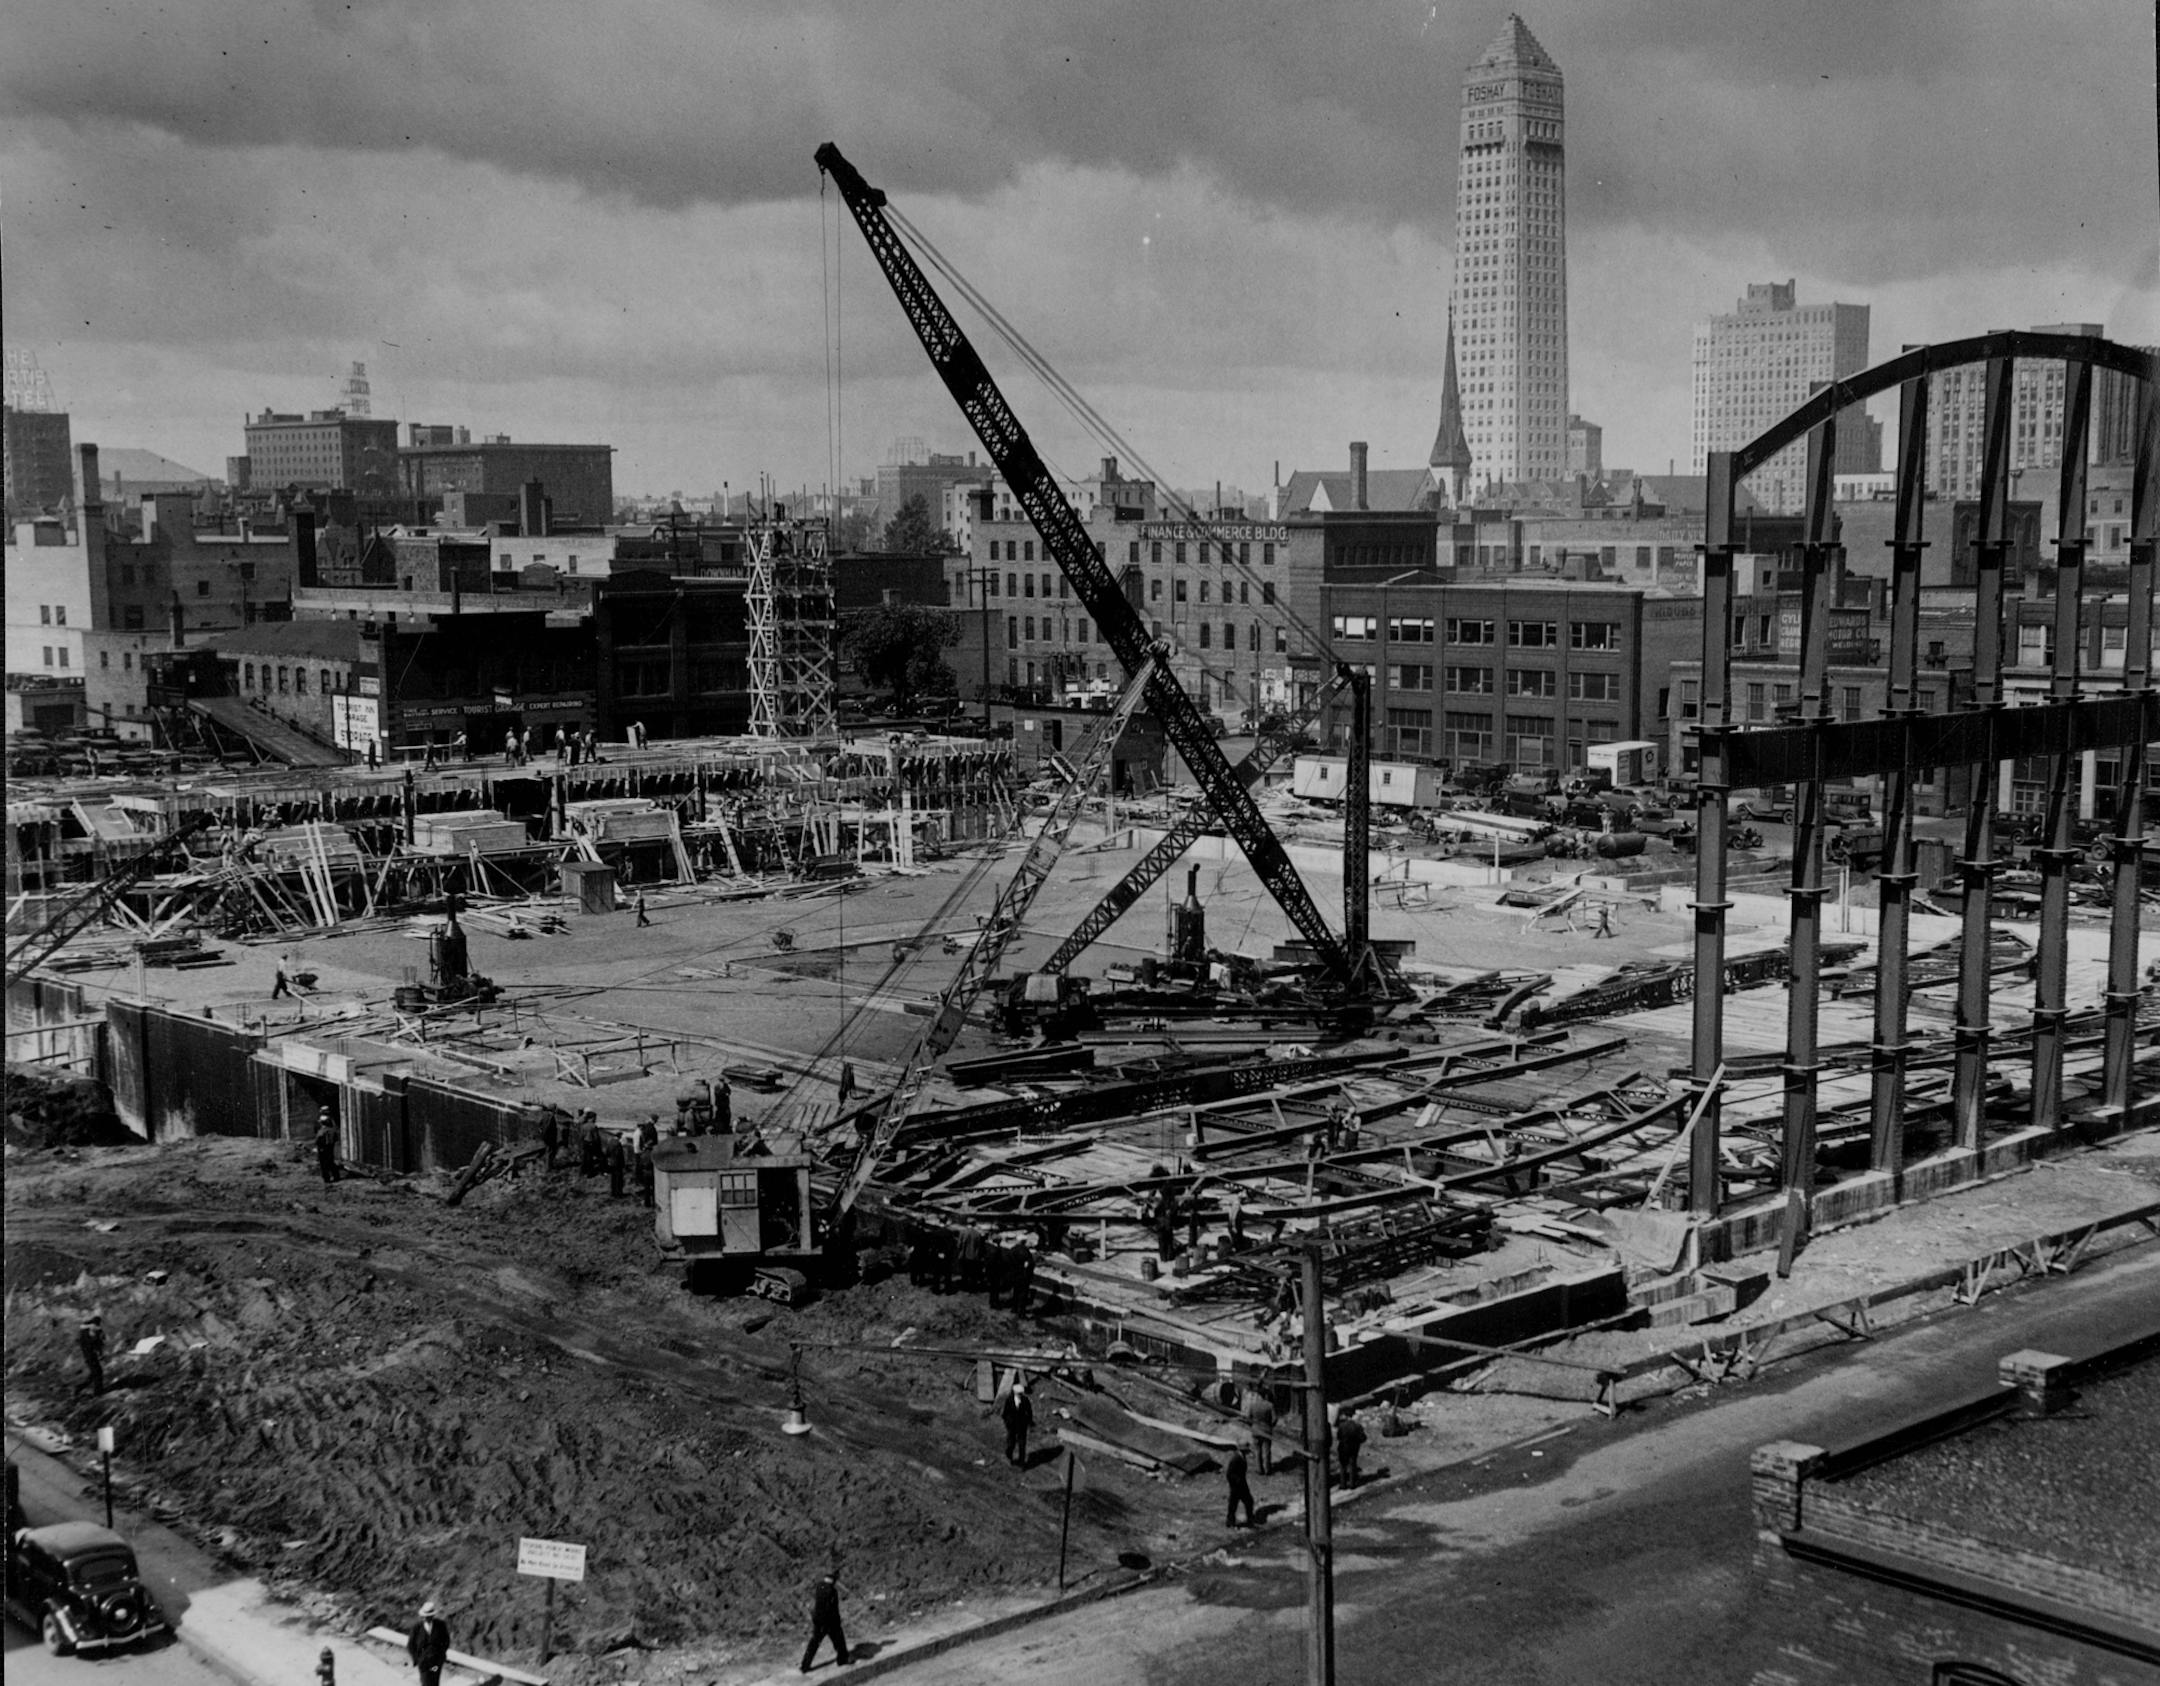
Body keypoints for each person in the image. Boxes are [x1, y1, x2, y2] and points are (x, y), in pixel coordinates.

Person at [800, 1569, 849, 1673]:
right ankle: (842, 1660)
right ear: (834, 1579)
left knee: (813, 1643)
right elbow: (833, 1609)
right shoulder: (832, 1591)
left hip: (818, 1620)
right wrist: (837, 1621)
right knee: (840, 1641)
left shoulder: (819, 1586)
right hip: (830, 1621)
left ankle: (805, 1666)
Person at [407, 1599, 452, 1686]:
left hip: (436, 1662)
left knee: (435, 1682)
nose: (427, 1618)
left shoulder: (440, 1625)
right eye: (425, 1616)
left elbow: (446, 1641)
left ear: (433, 1616)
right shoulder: (417, 1628)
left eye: (429, 1616)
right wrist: (417, 1659)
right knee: (425, 1682)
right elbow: (410, 1645)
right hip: (423, 1662)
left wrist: (441, 1655)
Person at [1243, 1383, 1277, 1476]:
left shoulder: (1252, 1405)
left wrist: (1252, 1425)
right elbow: (1274, 1419)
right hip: (1266, 1430)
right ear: (1266, 1395)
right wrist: (1270, 1425)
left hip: (1255, 1430)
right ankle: (1267, 1469)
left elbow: (1247, 1418)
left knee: (1257, 1450)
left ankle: (1259, 1469)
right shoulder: (1270, 1405)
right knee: (1266, 1451)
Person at [1000, 1375, 1034, 1468]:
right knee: (1011, 1442)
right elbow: (1005, 1413)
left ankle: (1021, 1462)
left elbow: (1029, 1412)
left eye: (1021, 1393)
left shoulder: (1025, 1400)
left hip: (1022, 1425)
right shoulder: (1009, 1400)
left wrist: (1029, 1422)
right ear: (1015, 1393)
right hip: (1012, 1425)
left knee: (1022, 1444)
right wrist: (1007, 1422)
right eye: (1018, 1393)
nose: (1020, 1395)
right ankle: (1009, 1455)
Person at [1224, 1440, 1257, 1528]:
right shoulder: (1236, 1459)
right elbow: (1229, 1474)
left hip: (1241, 1485)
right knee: (1234, 1504)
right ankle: (1231, 1523)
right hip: (1237, 1486)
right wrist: (1237, 1482)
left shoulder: (1241, 1456)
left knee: (1248, 1501)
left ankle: (1249, 1519)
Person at [1335, 1407, 1367, 1490]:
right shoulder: (1357, 1426)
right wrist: (1357, 1442)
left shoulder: (1341, 1426)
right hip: (1354, 1448)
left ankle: (1343, 1484)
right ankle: (1352, 1484)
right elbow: (1363, 1438)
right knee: (1352, 1465)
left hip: (1343, 1447)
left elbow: (1338, 1437)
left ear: (1346, 1415)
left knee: (1343, 1466)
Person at [78, 1312, 105, 1397]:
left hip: (89, 1354)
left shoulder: (87, 1330)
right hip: (90, 1354)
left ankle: (81, 1388)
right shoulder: (89, 1331)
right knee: (97, 1372)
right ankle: (97, 1392)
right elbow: (93, 1343)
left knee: (95, 1372)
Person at [314, 1110, 340, 1184]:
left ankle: (327, 1179)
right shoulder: (332, 1130)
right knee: (331, 1162)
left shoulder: (321, 1131)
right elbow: (335, 1139)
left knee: (323, 1165)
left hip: (322, 1149)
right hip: (330, 1148)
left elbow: (318, 1141)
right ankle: (336, 1176)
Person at [606, 1130, 627, 1198]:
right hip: (618, 1163)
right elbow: (620, 1155)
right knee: (619, 1179)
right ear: (619, 1136)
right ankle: (618, 1193)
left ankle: (613, 1192)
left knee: (613, 1178)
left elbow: (607, 1152)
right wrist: (623, 1164)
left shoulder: (610, 1142)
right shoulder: (618, 1143)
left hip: (612, 1162)